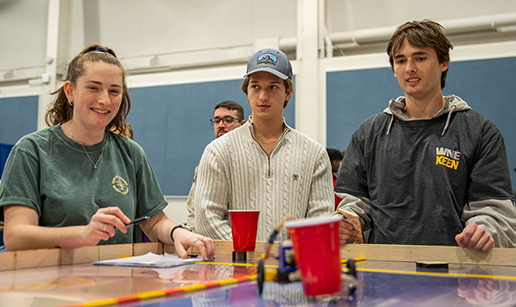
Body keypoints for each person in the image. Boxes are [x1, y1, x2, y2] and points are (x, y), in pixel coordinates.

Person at [0, 44, 214, 260]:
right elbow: (15, 236)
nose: (105, 100)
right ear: (70, 91)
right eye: (93, 88)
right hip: (49, 284)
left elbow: (155, 221)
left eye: (114, 91)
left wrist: (179, 233)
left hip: (115, 283)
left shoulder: (131, 153)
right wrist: (81, 234)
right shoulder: (31, 151)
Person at [336, 20, 516, 252]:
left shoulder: (479, 131)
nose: (409, 67)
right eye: (401, 60)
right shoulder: (369, 132)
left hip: (455, 274)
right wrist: (348, 220)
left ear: (443, 63)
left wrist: (485, 229)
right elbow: (356, 202)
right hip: (385, 273)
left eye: (420, 58)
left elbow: (495, 210)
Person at [195, 48, 333, 241]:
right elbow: (207, 221)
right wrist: (250, 255)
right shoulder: (218, 151)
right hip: (236, 268)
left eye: (273, 87)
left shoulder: (314, 154)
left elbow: (321, 222)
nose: (263, 96)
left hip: (292, 267)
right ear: (247, 91)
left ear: (288, 93)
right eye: (256, 87)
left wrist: (284, 257)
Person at [185, 101, 245, 231]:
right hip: (206, 241)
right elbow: (194, 208)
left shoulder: (248, 159)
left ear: (242, 125)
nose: (221, 125)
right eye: (217, 121)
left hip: (239, 241)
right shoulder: (208, 158)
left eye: (228, 120)